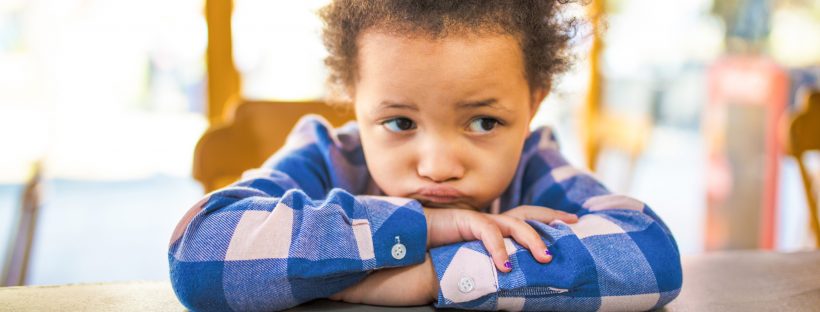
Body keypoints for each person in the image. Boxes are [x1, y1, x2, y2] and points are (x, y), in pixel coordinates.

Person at [168, 1, 682, 311]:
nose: (437, 165)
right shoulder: (327, 157)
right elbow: (198, 252)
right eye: (399, 123)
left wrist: (433, 274)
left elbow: (649, 254)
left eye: (484, 122)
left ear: (534, 102)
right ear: (353, 96)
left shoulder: (532, 165)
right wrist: (427, 227)